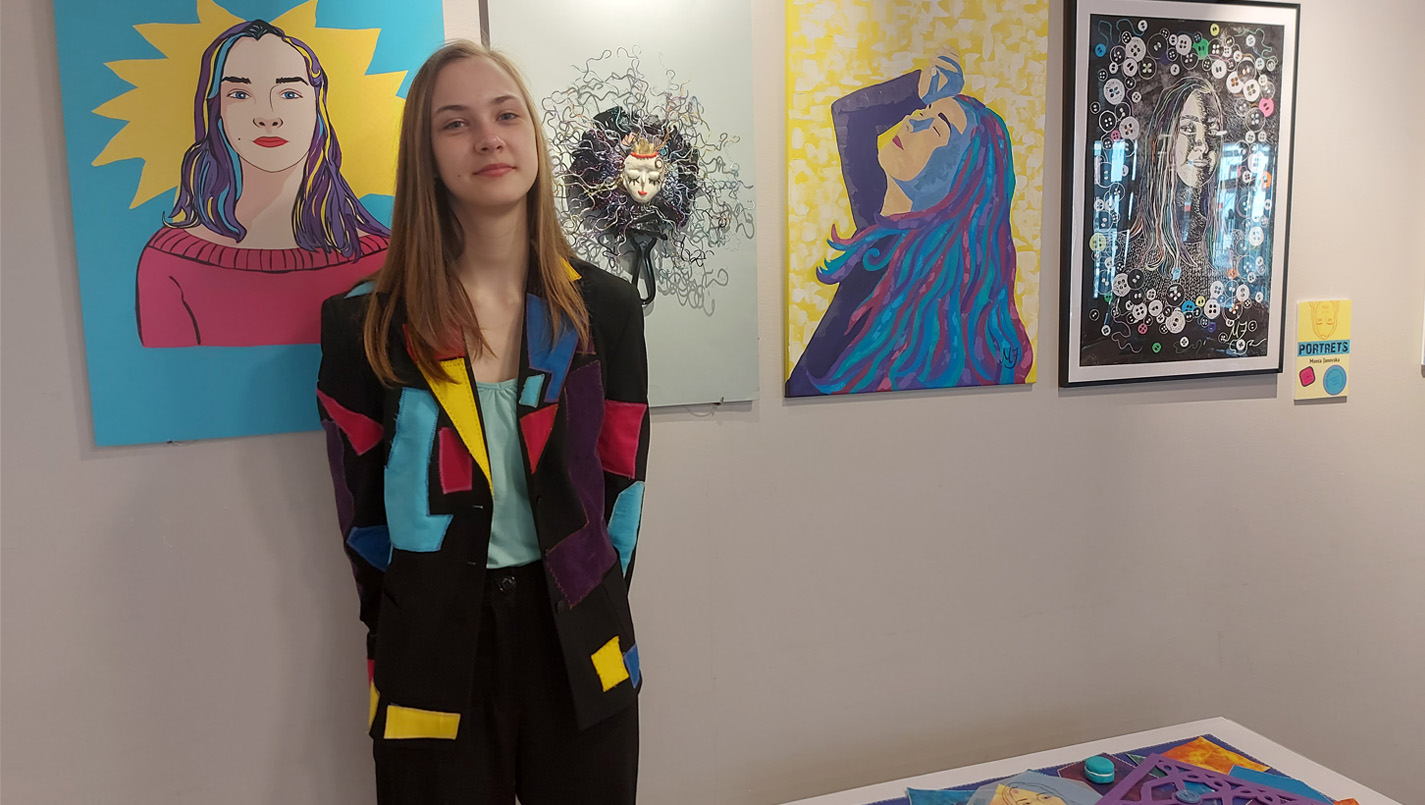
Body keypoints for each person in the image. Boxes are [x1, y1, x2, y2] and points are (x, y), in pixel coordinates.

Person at [316, 40, 648, 804]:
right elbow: (360, 520)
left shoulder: (604, 309)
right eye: (455, 123)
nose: (488, 138)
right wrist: (404, 626)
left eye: (505, 115)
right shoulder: (363, 325)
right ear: (426, 156)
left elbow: (622, 491)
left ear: (531, 134)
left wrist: (590, 599)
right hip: (429, 653)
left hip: (581, 643)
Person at [786, 49, 1033, 396]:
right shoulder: (880, 233)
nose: (914, 119)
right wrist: (920, 89)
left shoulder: (931, 290)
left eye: (938, 127)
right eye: (924, 110)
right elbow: (850, 116)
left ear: (961, 183)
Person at [136, 20, 390, 347]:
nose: (268, 116)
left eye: (289, 93)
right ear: (217, 112)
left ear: (317, 108)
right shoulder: (168, 263)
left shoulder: (384, 259)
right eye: (240, 94)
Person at [1127, 75, 1226, 282]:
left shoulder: (1228, 248)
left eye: (1212, 129)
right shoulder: (1128, 252)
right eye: (1188, 129)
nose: (1202, 144)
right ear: (1165, 139)